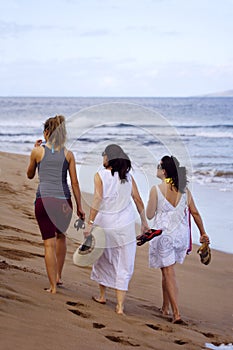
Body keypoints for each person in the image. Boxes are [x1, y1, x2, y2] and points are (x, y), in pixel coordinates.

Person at [84, 144, 150, 314]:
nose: (102, 158)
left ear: (108, 158)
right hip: (125, 227)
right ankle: (120, 306)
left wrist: (90, 222)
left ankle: (102, 296)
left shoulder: (100, 175)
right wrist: (144, 222)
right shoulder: (128, 176)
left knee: (103, 259)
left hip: (105, 224)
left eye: (103, 155)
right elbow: (137, 199)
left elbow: (98, 199)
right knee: (124, 262)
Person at [146, 155, 210, 324]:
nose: (156, 169)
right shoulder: (184, 190)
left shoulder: (156, 189)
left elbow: (150, 214)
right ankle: (165, 308)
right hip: (180, 235)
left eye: (158, 166)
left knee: (168, 272)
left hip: (164, 234)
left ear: (164, 170)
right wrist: (203, 233)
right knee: (166, 270)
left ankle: (176, 313)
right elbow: (195, 213)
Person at [27, 115, 85, 294]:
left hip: (43, 201)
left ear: (46, 132)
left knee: (48, 244)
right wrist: (80, 207)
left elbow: (29, 175)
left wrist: (35, 151)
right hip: (63, 202)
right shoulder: (68, 154)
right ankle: (58, 277)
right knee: (61, 237)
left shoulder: (38, 152)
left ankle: (52, 287)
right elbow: (74, 183)